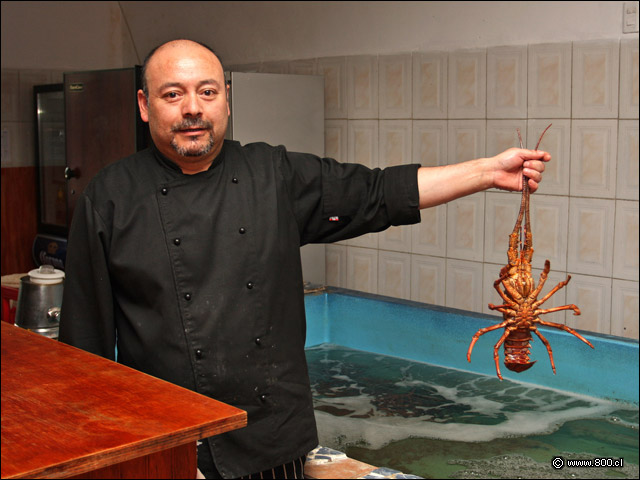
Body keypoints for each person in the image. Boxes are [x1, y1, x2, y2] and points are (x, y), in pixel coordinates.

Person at [59, 39, 550, 479]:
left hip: (271, 442)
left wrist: (489, 172)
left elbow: (379, 191)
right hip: (168, 444)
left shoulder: (273, 173)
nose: (193, 108)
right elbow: (84, 353)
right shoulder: (110, 197)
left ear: (226, 98)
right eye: (173, 94)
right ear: (144, 105)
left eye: (207, 92)